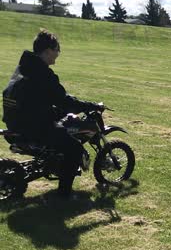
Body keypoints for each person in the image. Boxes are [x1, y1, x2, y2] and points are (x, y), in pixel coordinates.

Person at [2, 29, 103, 198]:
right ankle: (64, 195)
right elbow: (64, 101)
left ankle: (52, 166)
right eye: (57, 49)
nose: (58, 53)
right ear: (48, 50)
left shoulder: (24, 67)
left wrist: (55, 111)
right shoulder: (42, 73)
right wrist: (89, 106)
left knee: (59, 133)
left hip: (15, 123)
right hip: (34, 127)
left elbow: (36, 99)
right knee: (74, 149)